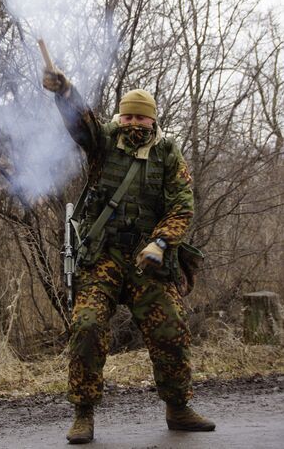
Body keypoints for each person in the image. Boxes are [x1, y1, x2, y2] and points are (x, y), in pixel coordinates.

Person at [42, 68, 215, 444]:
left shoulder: (168, 152)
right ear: (120, 117)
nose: (133, 122)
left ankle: (178, 408)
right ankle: (83, 413)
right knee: (87, 325)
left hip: (147, 258)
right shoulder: (104, 142)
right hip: (102, 255)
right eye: (128, 115)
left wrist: (162, 243)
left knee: (171, 324)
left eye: (140, 116)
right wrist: (65, 93)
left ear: (153, 118)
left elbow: (182, 206)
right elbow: (82, 123)